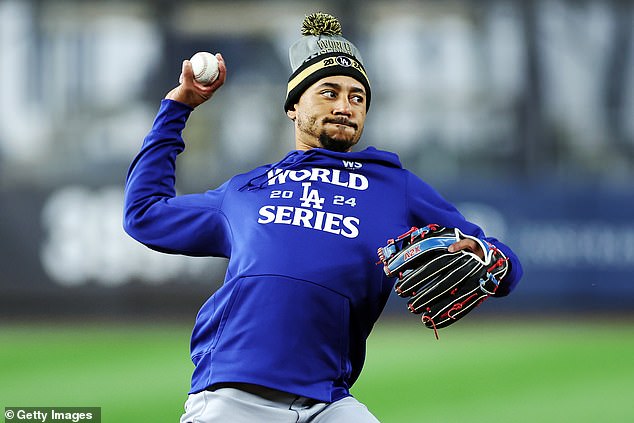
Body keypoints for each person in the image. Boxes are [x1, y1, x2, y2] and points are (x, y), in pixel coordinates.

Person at [123, 12, 523, 423]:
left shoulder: (395, 187)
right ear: (294, 106)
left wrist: (482, 253)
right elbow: (144, 214)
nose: (345, 106)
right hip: (235, 393)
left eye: (357, 97)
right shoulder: (248, 189)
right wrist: (178, 107)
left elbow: (503, 265)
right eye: (329, 92)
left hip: (328, 400)